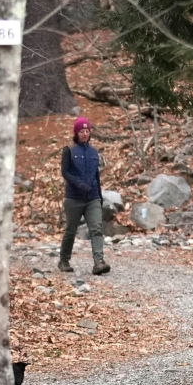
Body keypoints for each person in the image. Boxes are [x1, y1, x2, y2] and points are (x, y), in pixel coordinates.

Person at [59, 116, 110, 275]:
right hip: (73, 198)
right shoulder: (69, 150)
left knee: (96, 228)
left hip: (92, 197)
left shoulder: (94, 152)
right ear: (76, 133)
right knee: (71, 230)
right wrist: (79, 184)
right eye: (82, 131)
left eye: (87, 130)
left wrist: (99, 196)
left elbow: (96, 176)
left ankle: (99, 262)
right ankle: (64, 260)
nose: (85, 133)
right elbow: (65, 172)